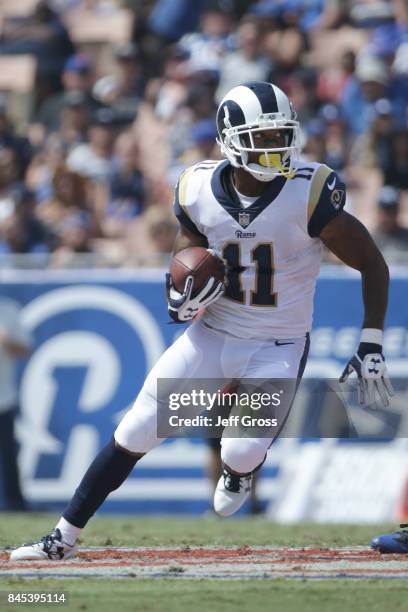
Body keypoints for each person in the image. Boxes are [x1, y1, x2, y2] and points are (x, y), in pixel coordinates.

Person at [10, 81, 393, 561]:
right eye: (264, 137)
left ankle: (239, 469)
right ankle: (61, 538)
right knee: (134, 431)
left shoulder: (310, 191)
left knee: (240, 453)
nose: (277, 147)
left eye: (282, 135)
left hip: (278, 343)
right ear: (231, 139)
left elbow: (373, 263)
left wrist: (372, 340)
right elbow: (185, 251)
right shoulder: (195, 187)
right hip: (211, 334)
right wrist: (181, 295)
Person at [0, 297, 32, 511]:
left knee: (9, 453)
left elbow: (24, 349)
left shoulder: (8, 309)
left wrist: (6, 340)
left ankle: (15, 503)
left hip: (4, 396)